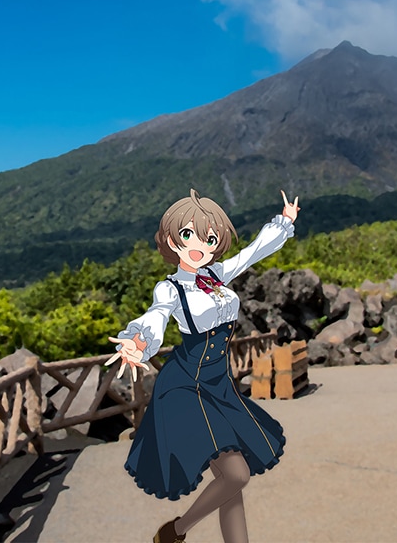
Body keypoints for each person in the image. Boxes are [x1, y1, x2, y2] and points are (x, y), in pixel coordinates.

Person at [107, 188, 300, 543]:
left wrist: (284, 222)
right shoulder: (170, 289)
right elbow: (155, 318)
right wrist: (137, 341)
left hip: (218, 385)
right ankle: (176, 531)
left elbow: (254, 252)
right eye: (188, 234)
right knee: (236, 475)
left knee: (230, 482)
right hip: (186, 386)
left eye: (210, 237)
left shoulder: (217, 276)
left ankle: (175, 533)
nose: (201, 244)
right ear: (171, 239)